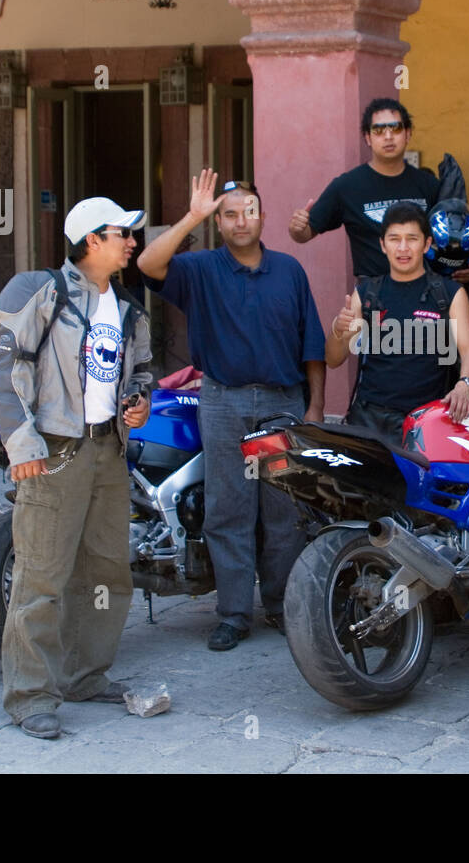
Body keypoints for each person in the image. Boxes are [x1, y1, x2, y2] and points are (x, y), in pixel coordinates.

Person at [0, 196, 153, 739]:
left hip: (108, 451)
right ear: (90, 240)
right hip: (53, 450)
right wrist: (22, 446)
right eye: (121, 232)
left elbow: (140, 373)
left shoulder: (129, 308)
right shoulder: (42, 292)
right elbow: (5, 372)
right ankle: (30, 694)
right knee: (41, 576)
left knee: (107, 571)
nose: (131, 241)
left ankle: (85, 674)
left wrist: (138, 403)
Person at [139, 170, 326, 652]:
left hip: (284, 403)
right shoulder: (200, 269)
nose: (241, 221)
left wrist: (317, 408)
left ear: (263, 217)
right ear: (218, 223)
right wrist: (191, 216)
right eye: (228, 214)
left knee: (283, 510)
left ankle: (282, 605)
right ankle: (235, 614)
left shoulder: (289, 271)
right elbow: (148, 263)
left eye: (249, 211)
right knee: (229, 510)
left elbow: (312, 346)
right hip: (224, 402)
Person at [328, 202, 469, 440]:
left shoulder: (449, 294)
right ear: (382, 245)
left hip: (424, 418)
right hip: (368, 417)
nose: (403, 248)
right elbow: (333, 359)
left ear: (427, 244)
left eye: (411, 238)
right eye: (394, 239)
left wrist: (464, 384)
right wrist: (339, 331)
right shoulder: (367, 293)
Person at [288, 98, 469, 284]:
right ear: (368, 137)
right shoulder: (346, 186)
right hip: (373, 296)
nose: (388, 136)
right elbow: (304, 234)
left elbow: (464, 215)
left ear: (408, 133)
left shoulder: (428, 183)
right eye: (378, 130)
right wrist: (297, 228)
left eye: (395, 128)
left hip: (424, 295)